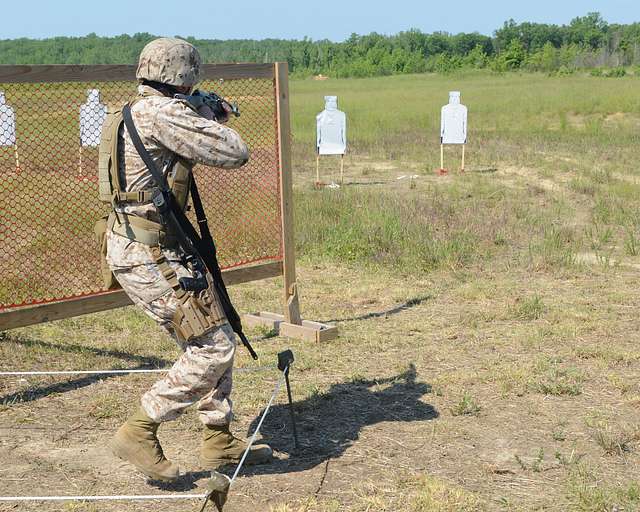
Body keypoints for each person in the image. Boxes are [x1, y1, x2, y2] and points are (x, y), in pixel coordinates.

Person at [103, 37, 272, 482]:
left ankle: (218, 441)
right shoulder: (164, 114)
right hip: (148, 251)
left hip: (151, 244)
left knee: (212, 326)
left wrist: (197, 111)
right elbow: (235, 151)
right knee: (212, 346)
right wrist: (208, 116)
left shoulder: (130, 111)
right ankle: (140, 429)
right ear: (184, 77)